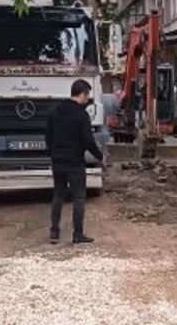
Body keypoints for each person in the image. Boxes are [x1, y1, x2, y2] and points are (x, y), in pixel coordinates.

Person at [46, 79, 104, 244]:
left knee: (58, 194)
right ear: (83, 94)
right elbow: (88, 141)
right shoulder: (81, 114)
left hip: (57, 160)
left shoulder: (54, 111)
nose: (88, 99)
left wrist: (53, 152)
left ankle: (54, 232)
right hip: (75, 161)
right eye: (87, 95)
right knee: (79, 197)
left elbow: (48, 136)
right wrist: (100, 156)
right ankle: (77, 234)